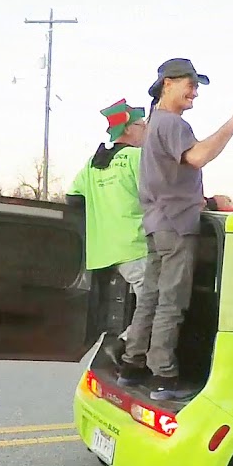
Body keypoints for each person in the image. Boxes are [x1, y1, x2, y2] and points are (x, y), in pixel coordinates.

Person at [119, 58, 233, 400]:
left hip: (157, 224)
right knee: (171, 302)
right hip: (177, 225)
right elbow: (198, 157)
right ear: (168, 84)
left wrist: (205, 201)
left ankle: (132, 366)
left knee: (149, 298)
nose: (194, 91)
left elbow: (168, 178)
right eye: (189, 83)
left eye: (197, 85)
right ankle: (163, 376)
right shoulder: (174, 124)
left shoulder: (153, 126)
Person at [64, 98, 151, 364]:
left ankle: (120, 342)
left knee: (126, 303)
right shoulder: (137, 158)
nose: (146, 129)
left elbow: (73, 198)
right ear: (127, 130)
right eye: (141, 125)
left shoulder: (94, 162)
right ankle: (124, 345)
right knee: (157, 303)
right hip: (133, 246)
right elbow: (164, 194)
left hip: (103, 251)